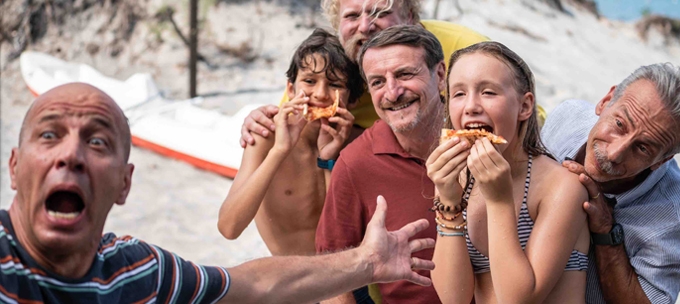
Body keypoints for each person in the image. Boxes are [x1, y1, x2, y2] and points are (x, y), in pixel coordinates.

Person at [0, 82, 436, 303]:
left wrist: (368, 261)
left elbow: (253, 285)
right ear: (15, 168)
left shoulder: (136, 273)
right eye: (50, 135)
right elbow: (230, 225)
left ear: (125, 183)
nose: (71, 155)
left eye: (97, 142)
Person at [428, 41, 590, 303]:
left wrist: (498, 200)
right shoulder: (457, 179)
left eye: (488, 92)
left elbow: (519, 299)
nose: (470, 106)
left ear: (525, 107)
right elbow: (452, 298)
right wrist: (448, 202)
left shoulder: (562, 186)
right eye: (458, 94)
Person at [540, 63, 680, 304]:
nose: (614, 154)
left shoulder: (678, 217)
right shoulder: (566, 117)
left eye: (642, 148)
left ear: (662, 160)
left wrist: (606, 231)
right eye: (619, 124)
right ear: (606, 101)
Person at [239, 0, 492, 147]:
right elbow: (293, 129)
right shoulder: (330, 67)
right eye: (351, 15)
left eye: (380, 12)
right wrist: (260, 120)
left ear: (411, 16)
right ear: (338, 26)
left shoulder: (464, 48)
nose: (365, 26)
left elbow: (525, 118)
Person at [315, 25, 446, 304]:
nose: (393, 92)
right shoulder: (355, 162)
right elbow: (331, 275)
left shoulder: (479, 131)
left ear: (441, 75)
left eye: (405, 74)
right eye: (377, 82)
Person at [217, 28, 362, 256]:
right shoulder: (266, 135)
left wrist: (328, 160)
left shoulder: (357, 142)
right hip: (293, 278)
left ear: (352, 99)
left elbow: (343, 234)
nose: (321, 94)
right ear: (291, 89)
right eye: (309, 81)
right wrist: (280, 150)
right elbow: (228, 227)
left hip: (342, 273)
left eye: (335, 84)